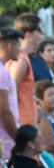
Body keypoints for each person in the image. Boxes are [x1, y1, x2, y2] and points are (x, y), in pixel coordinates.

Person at [0, 29, 23, 161]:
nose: (20, 50)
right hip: (5, 140)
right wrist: (18, 138)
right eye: (19, 45)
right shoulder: (1, 72)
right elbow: (4, 111)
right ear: (9, 46)